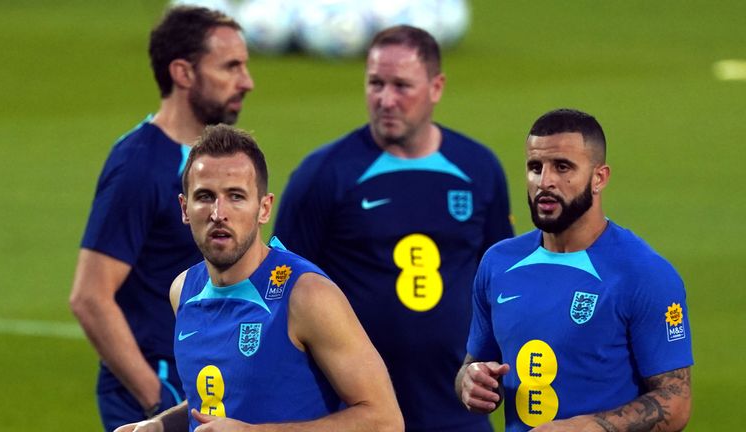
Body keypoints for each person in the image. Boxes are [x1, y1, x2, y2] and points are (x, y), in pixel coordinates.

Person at [273, 25, 513, 432]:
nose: (386, 99)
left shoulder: (479, 169)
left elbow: (501, 288)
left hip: (458, 410)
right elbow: (278, 291)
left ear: (436, 87)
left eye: (402, 85)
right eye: (375, 83)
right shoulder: (323, 175)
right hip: (355, 414)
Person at [115, 124, 404, 432]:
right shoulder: (183, 291)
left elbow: (384, 420)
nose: (218, 213)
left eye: (236, 196)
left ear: (264, 208)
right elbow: (220, 400)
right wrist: (160, 426)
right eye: (205, 196)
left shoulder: (307, 295)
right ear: (185, 209)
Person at [69, 6, 254, 431]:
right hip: (159, 391)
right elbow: (90, 296)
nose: (247, 81)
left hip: (206, 380)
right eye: (230, 67)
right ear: (183, 73)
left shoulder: (211, 161)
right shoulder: (139, 165)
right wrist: (159, 402)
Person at [456, 108, 693, 431]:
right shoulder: (498, 263)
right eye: (535, 167)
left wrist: (590, 427)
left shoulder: (644, 274)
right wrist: (469, 383)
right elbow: (473, 365)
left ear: (599, 177)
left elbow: (676, 403)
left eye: (563, 167)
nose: (545, 181)